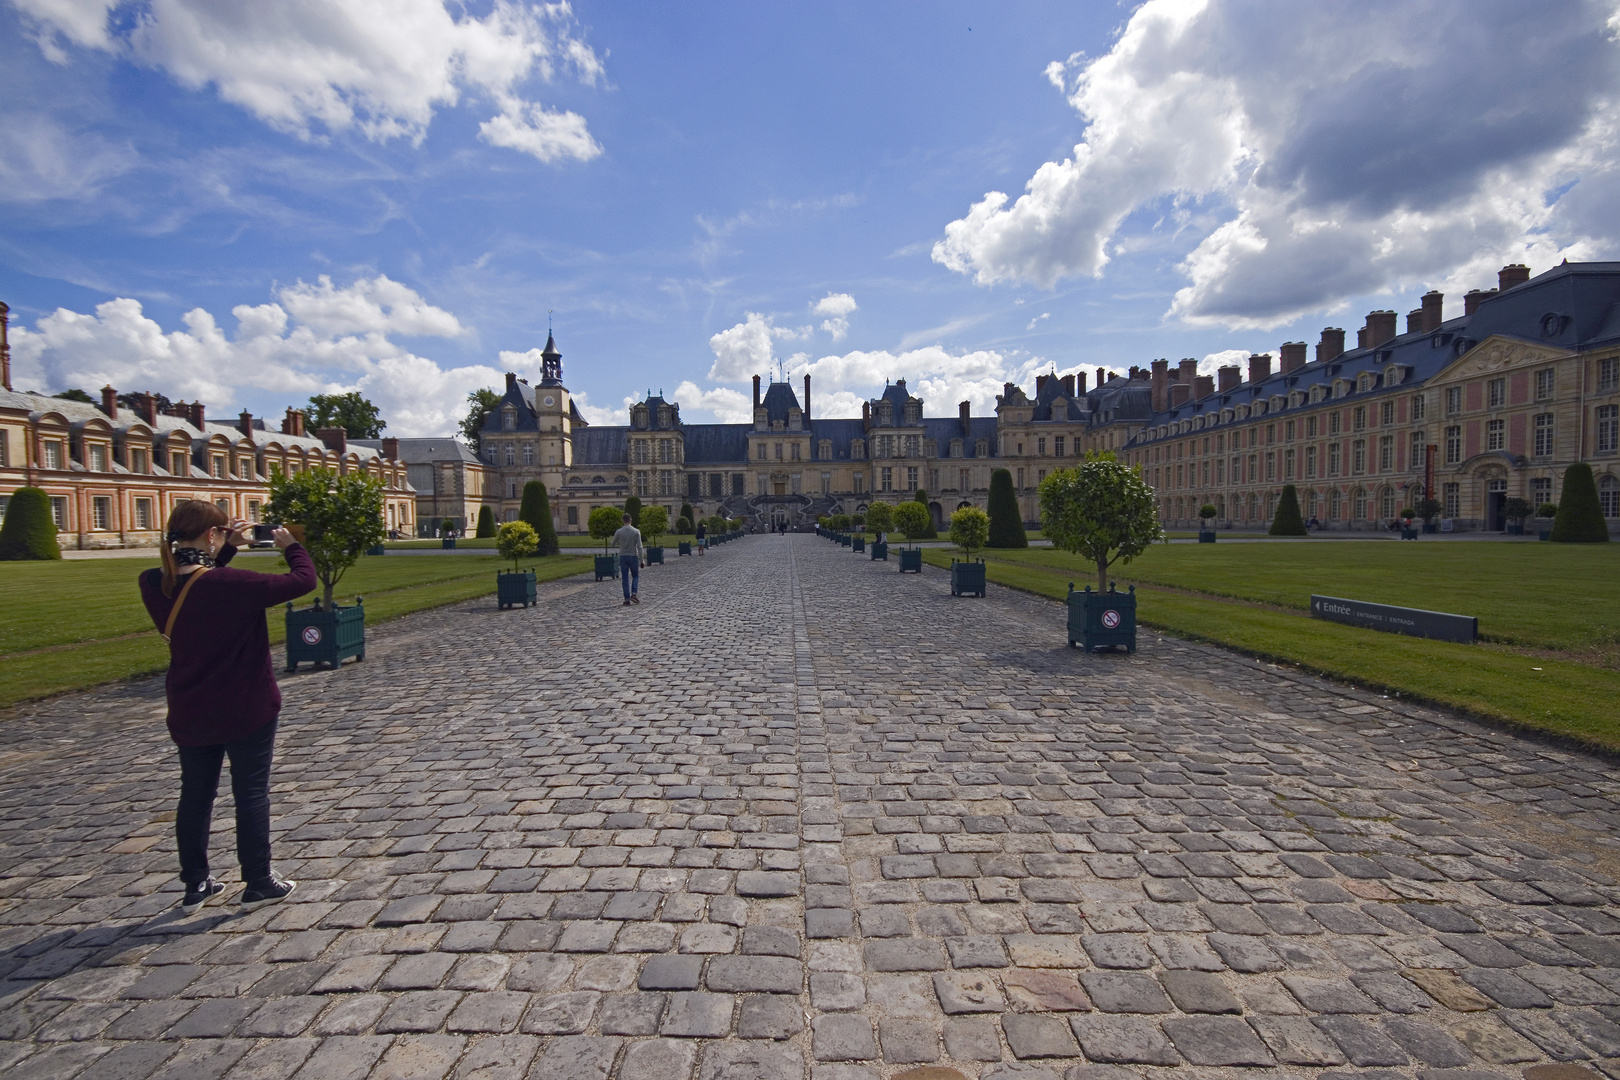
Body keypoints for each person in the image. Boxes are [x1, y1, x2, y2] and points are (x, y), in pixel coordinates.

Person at [138, 500, 316, 914]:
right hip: (245, 705)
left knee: (195, 796)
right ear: (212, 536)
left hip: (190, 706)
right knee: (250, 792)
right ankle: (258, 881)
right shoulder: (233, 585)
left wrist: (226, 548)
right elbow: (302, 580)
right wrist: (290, 545)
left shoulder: (152, 583)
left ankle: (196, 883)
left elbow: (198, 584)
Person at [613, 512, 645, 605]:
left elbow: (612, 543)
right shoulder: (636, 531)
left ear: (623, 521)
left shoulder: (619, 531)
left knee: (625, 578)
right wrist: (641, 560)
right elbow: (640, 547)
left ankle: (626, 599)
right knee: (635, 576)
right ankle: (634, 593)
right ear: (630, 520)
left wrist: (621, 542)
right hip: (633, 556)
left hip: (623, 556)